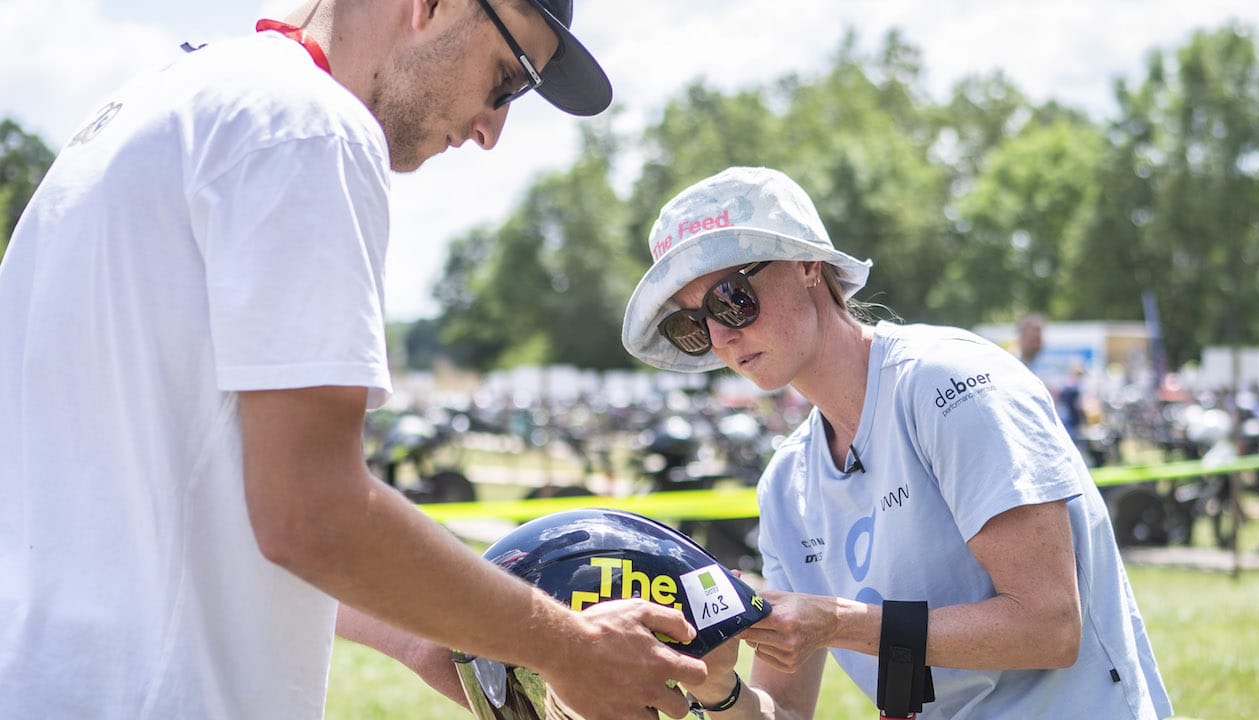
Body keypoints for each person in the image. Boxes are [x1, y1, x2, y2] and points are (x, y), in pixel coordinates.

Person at [0, 2, 708, 718]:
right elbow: (311, 513)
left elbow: (215, 504)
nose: (491, 130)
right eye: (507, 79)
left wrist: (420, 639)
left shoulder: (143, 110)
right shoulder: (309, 127)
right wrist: (568, 647)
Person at [621, 166, 1172, 718]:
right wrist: (720, 688)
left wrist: (837, 623)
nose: (720, 335)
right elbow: (786, 711)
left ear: (808, 264)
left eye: (730, 298)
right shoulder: (787, 484)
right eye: (691, 323)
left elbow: (1049, 624)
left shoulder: (950, 384)